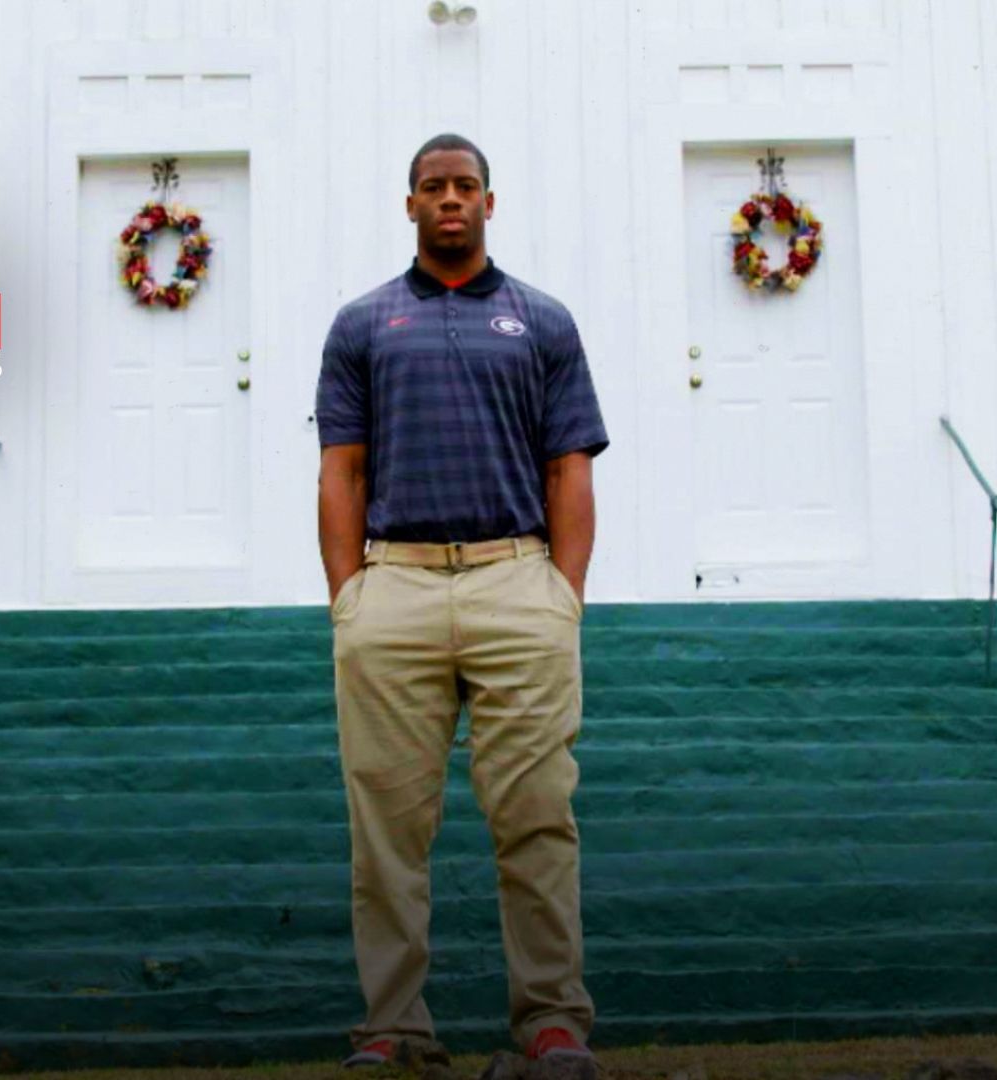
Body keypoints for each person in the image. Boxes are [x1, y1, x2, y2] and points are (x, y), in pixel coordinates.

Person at [313, 132, 609, 1071]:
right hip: (393, 586)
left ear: (490, 201)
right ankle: (394, 1029)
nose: (450, 199)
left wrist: (563, 596)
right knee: (388, 830)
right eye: (433, 187)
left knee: (537, 816)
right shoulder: (361, 324)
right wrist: (348, 597)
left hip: (515, 581)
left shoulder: (544, 321)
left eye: (465, 186)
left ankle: (553, 1023)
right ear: (409, 205)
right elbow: (341, 470)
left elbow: (570, 466)